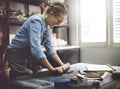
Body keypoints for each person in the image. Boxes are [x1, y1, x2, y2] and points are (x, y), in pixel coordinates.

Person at [3, 2, 70, 77]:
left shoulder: (47, 27)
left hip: (26, 54)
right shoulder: (36, 21)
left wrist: (63, 65)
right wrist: (52, 69)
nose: (58, 24)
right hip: (16, 53)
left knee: (29, 76)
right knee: (21, 79)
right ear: (51, 14)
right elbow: (36, 49)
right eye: (58, 20)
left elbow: (50, 49)